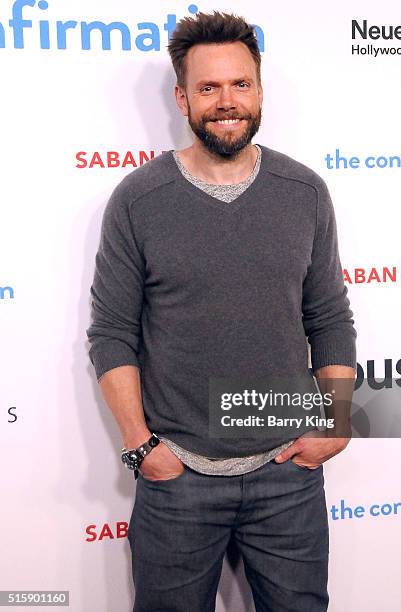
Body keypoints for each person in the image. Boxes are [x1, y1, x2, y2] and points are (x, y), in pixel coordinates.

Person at [86, 10, 357, 612]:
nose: (225, 101)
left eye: (239, 84)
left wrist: (335, 423)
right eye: (208, 88)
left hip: (289, 476)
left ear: (259, 90)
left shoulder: (304, 191)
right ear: (183, 98)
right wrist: (141, 447)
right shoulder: (139, 199)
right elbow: (111, 335)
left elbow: (331, 318)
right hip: (176, 480)